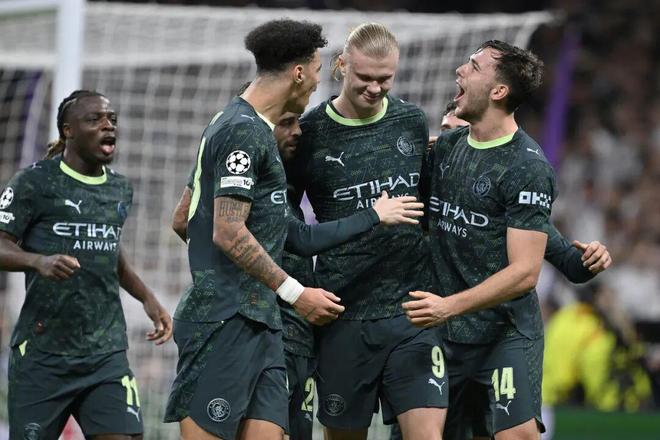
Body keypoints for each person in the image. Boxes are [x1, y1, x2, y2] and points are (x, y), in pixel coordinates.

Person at [173, 109, 425, 440]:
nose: (298, 131)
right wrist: (374, 215)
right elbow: (300, 238)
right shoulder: (252, 168)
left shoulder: (257, 171)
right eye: (286, 122)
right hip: (271, 326)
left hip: (288, 330)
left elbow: (182, 219)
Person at [164, 19, 349, 440]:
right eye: (316, 70)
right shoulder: (242, 130)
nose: (317, 82)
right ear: (298, 72)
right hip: (224, 320)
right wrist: (295, 293)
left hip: (261, 320)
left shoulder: (238, 124)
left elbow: (183, 216)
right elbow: (228, 232)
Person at [389, 99, 612, 440]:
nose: (447, 142)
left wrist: (591, 259)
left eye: (457, 133)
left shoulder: (505, 196)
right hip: (435, 331)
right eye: (444, 132)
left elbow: (567, 261)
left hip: (496, 331)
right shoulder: (422, 183)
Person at [290, 23, 445, 440]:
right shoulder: (310, 134)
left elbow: (432, 206)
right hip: (344, 314)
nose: (375, 88)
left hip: (411, 311)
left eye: (385, 79)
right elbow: (286, 224)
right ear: (342, 65)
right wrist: (298, 291)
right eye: (365, 78)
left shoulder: (411, 121)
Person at [403, 40, 565, 440]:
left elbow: (525, 273)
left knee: (518, 435)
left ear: (499, 91)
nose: (460, 70)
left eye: (474, 67)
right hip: (441, 331)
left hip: (501, 332)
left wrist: (447, 306)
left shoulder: (527, 167)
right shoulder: (447, 147)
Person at [0, 90, 172, 439]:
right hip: (43, 355)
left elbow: (108, 250)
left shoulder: (119, 188)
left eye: (112, 119)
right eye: (95, 119)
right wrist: (37, 261)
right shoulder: (34, 182)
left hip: (104, 353)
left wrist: (146, 297)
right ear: (68, 131)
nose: (108, 125)